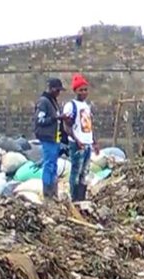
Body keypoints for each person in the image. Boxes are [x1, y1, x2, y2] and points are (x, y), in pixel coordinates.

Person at [62, 74, 94, 202]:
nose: (84, 92)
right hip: (77, 144)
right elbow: (66, 127)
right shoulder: (71, 106)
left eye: (85, 89)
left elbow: (89, 125)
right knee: (76, 171)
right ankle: (74, 199)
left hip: (87, 143)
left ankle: (82, 199)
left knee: (84, 172)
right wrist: (77, 140)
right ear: (75, 91)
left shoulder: (86, 106)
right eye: (81, 90)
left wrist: (94, 142)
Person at [34, 78, 65, 202]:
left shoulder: (53, 101)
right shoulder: (44, 102)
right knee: (49, 165)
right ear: (51, 89)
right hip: (47, 138)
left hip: (55, 138)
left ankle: (53, 193)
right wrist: (55, 117)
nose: (58, 93)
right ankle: (47, 194)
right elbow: (39, 120)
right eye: (57, 90)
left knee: (54, 165)